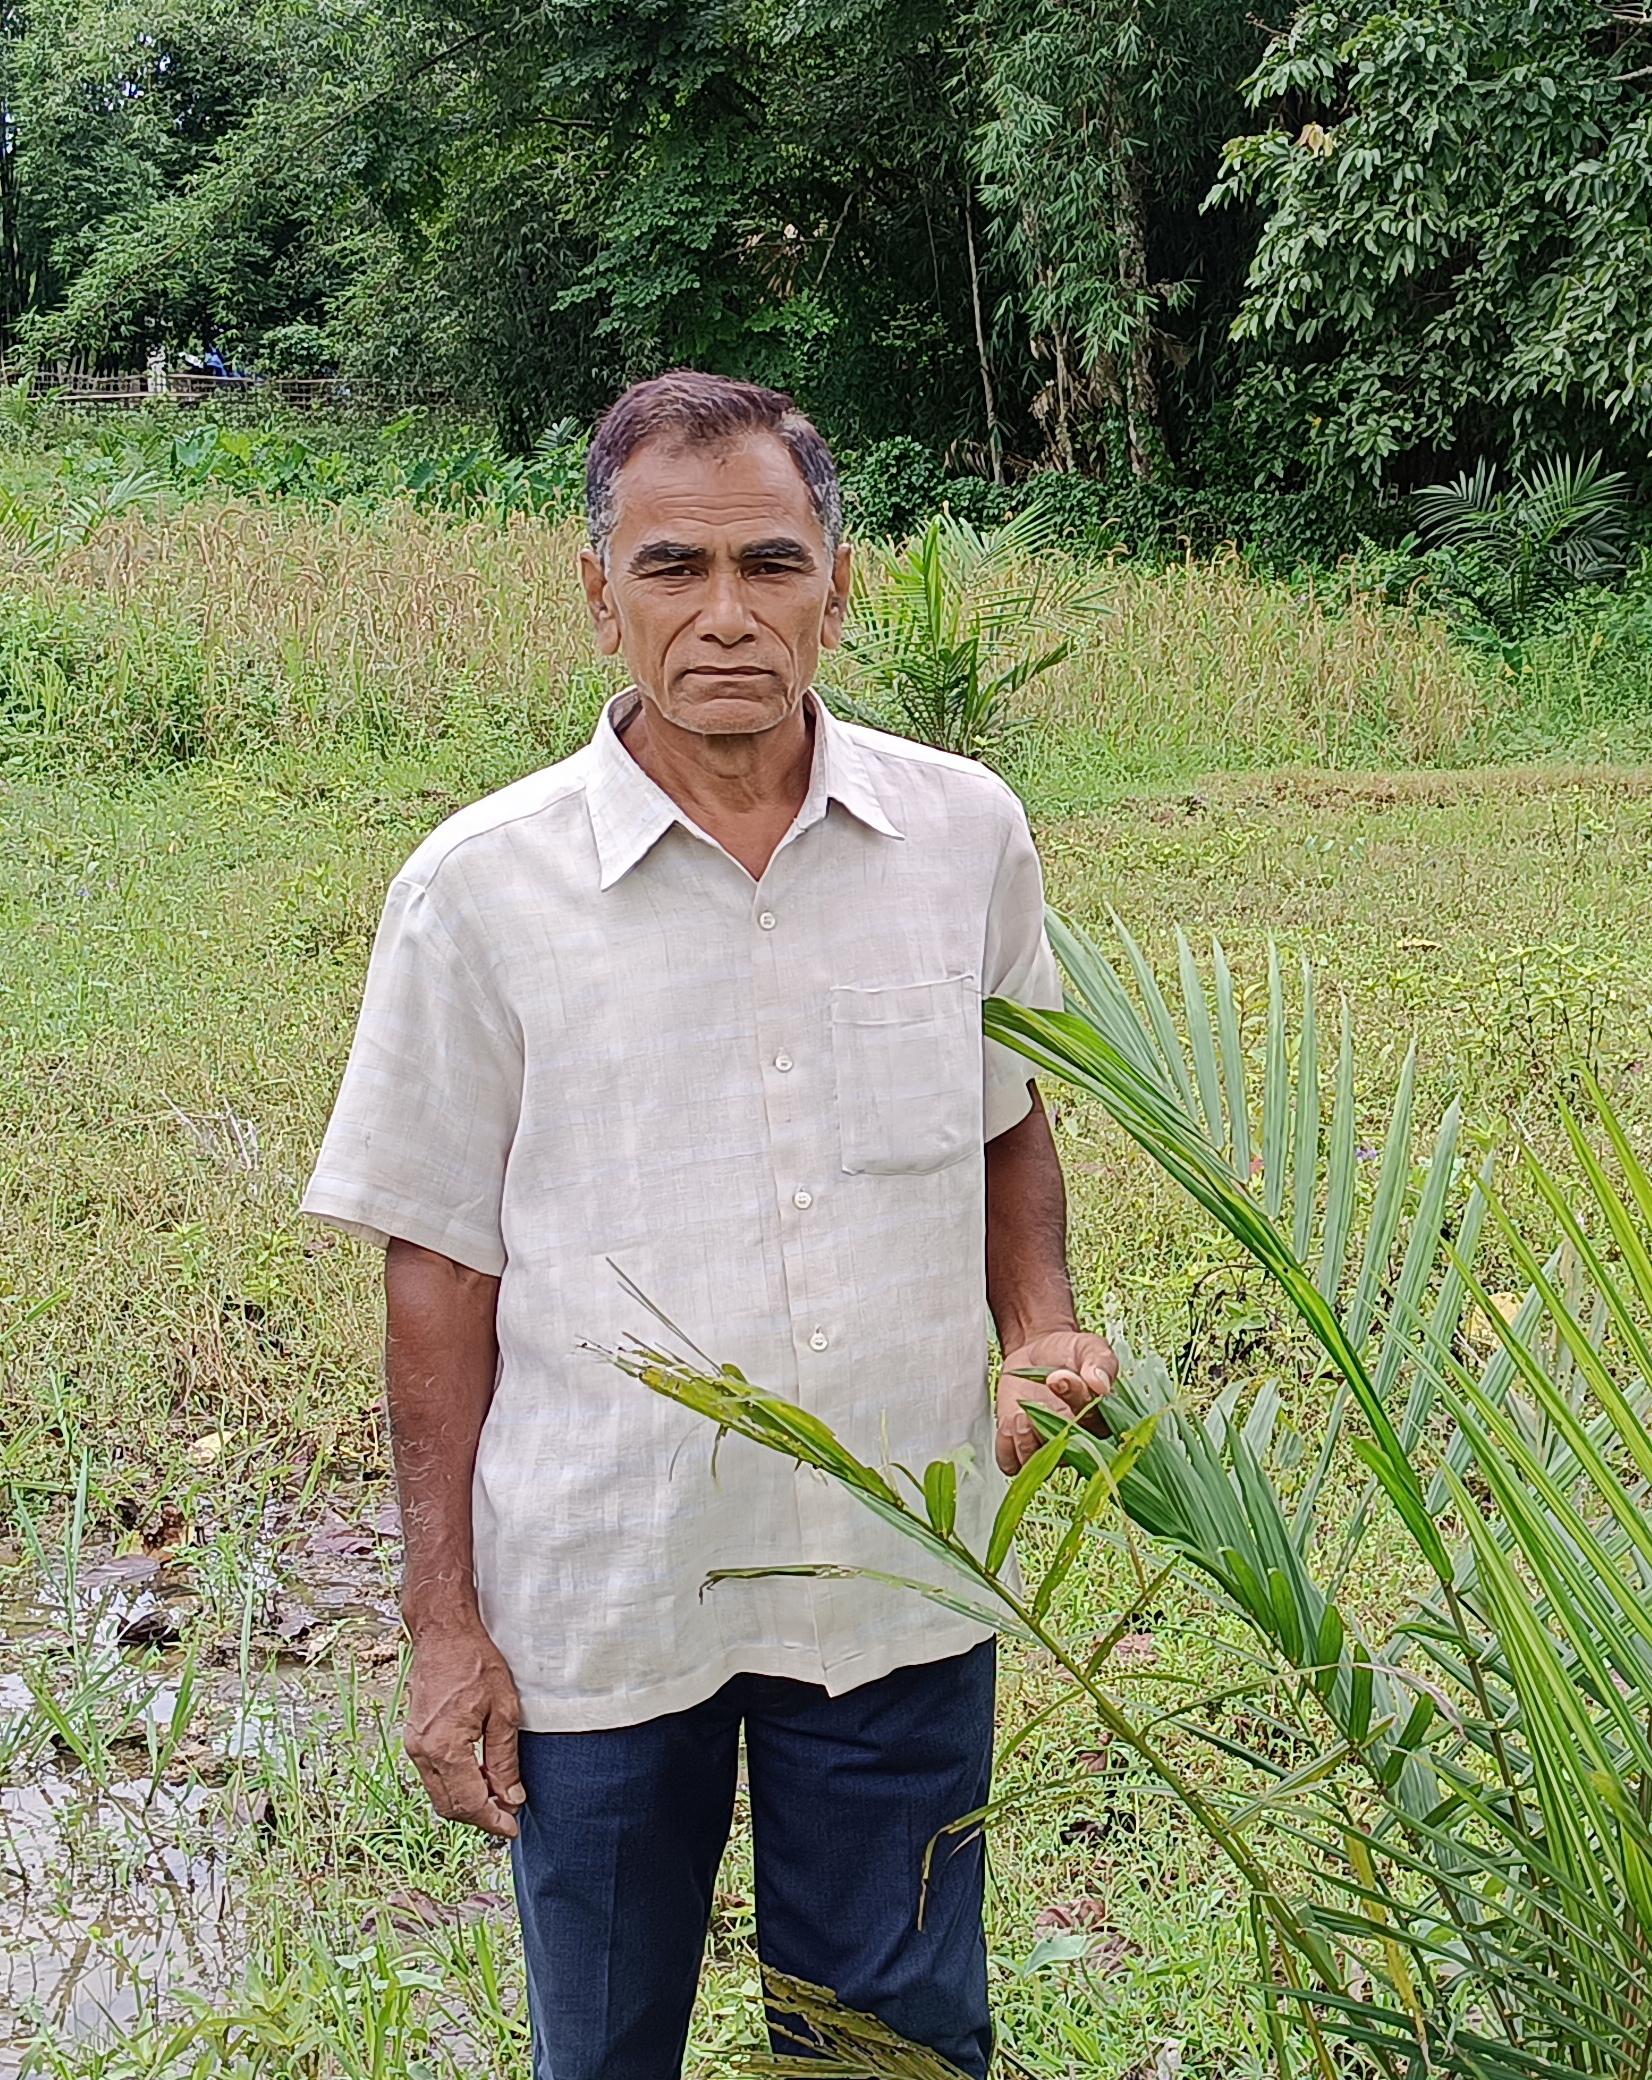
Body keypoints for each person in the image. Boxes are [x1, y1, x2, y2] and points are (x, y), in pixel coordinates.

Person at [301, 370, 1114, 2080]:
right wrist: (444, 1624)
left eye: (769, 562)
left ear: (839, 577)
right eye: (673, 569)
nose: (726, 617)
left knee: (894, 2038)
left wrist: (1037, 1320)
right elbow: (437, 1268)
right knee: (606, 2045)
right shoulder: (481, 888)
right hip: (604, 1591)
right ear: (599, 592)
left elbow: (1007, 1116)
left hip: (895, 1557)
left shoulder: (963, 836)